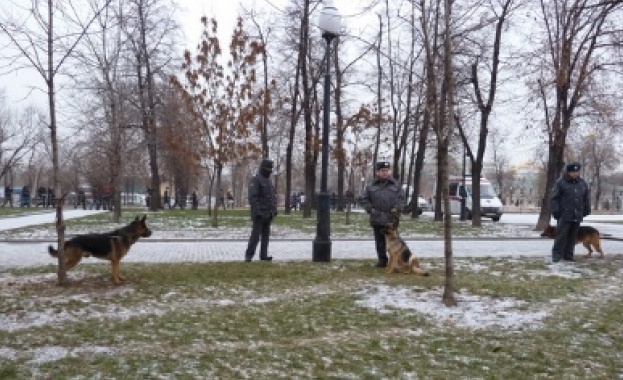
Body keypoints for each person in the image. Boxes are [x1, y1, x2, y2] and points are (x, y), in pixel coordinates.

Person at [363, 161, 405, 267]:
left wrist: (397, 208)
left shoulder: (396, 185)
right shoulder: (371, 185)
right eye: (383, 171)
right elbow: (364, 199)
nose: (385, 173)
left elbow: (401, 199)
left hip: (391, 218)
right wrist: (370, 209)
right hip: (376, 217)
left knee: (394, 242)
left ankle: (396, 261)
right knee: (379, 242)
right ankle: (382, 260)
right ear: (378, 172)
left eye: (387, 171)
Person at [549, 162, 590, 263]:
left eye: (577, 171)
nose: (575, 173)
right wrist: (556, 211)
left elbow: (586, 198)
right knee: (561, 236)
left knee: (572, 237)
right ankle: (556, 256)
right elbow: (554, 198)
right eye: (573, 172)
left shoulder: (582, 183)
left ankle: (568, 255)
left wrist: (586, 210)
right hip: (564, 214)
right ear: (568, 172)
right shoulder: (561, 183)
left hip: (577, 214)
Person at [244, 159, 278, 262]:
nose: (270, 171)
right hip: (259, 214)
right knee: (255, 236)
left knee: (265, 237)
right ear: (263, 168)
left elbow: (272, 197)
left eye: (271, 169)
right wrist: (258, 212)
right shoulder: (256, 180)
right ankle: (249, 256)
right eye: (268, 168)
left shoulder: (268, 181)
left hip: (268, 213)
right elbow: (253, 198)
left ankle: (264, 255)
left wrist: (274, 210)